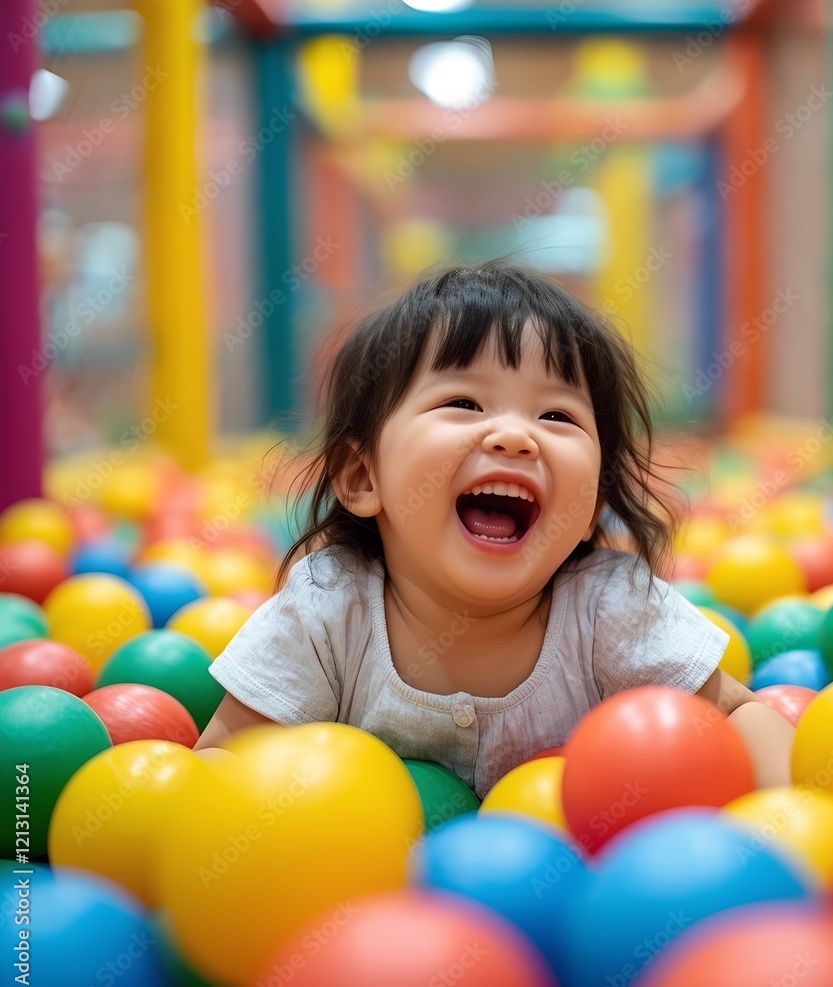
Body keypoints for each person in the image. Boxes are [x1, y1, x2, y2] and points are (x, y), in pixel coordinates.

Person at [195, 261, 795, 796]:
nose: (514, 435)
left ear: (594, 502)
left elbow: (737, 719)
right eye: (463, 403)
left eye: (556, 414)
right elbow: (225, 759)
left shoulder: (611, 606)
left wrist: (785, 814)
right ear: (362, 477)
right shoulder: (328, 607)